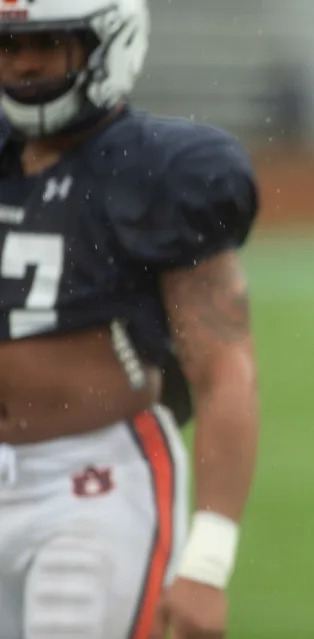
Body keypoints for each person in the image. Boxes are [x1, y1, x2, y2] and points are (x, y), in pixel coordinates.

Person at [0, 1, 259, 638]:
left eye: (49, 43)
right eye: (8, 46)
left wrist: (207, 561)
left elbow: (225, 371)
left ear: (106, 43)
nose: (24, 63)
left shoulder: (160, 169)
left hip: (91, 484)